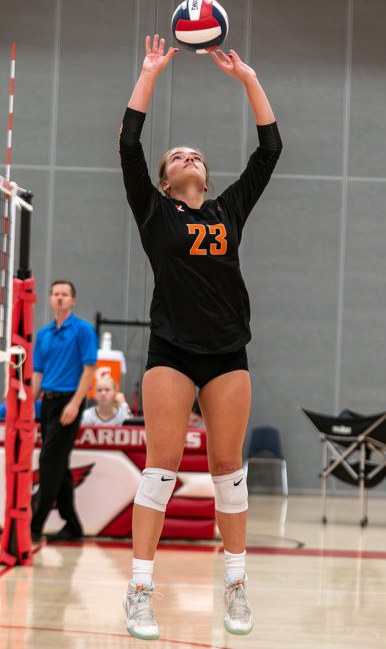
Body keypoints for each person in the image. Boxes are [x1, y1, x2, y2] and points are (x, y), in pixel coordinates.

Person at [119, 34, 281, 640]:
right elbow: (128, 143)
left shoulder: (227, 211)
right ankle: (140, 591)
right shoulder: (154, 212)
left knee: (227, 469)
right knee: (160, 469)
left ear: (206, 178)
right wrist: (149, 73)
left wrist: (249, 80)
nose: (187, 157)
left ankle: (236, 585)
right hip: (171, 351)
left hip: (227, 352)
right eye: (178, 156)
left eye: (195, 155)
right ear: (165, 181)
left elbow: (270, 149)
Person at [30, 279, 97, 543]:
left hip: (69, 401)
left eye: (65, 294)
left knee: (48, 460)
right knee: (59, 464)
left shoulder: (83, 330)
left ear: (73, 300)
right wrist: (29, 404)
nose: (60, 298)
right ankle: (73, 526)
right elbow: (38, 373)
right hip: (47, 403)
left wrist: (75, 404)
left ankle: (35, 525)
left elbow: (89, 370)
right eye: (56, 294)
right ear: (50, 299)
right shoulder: (44, 334)